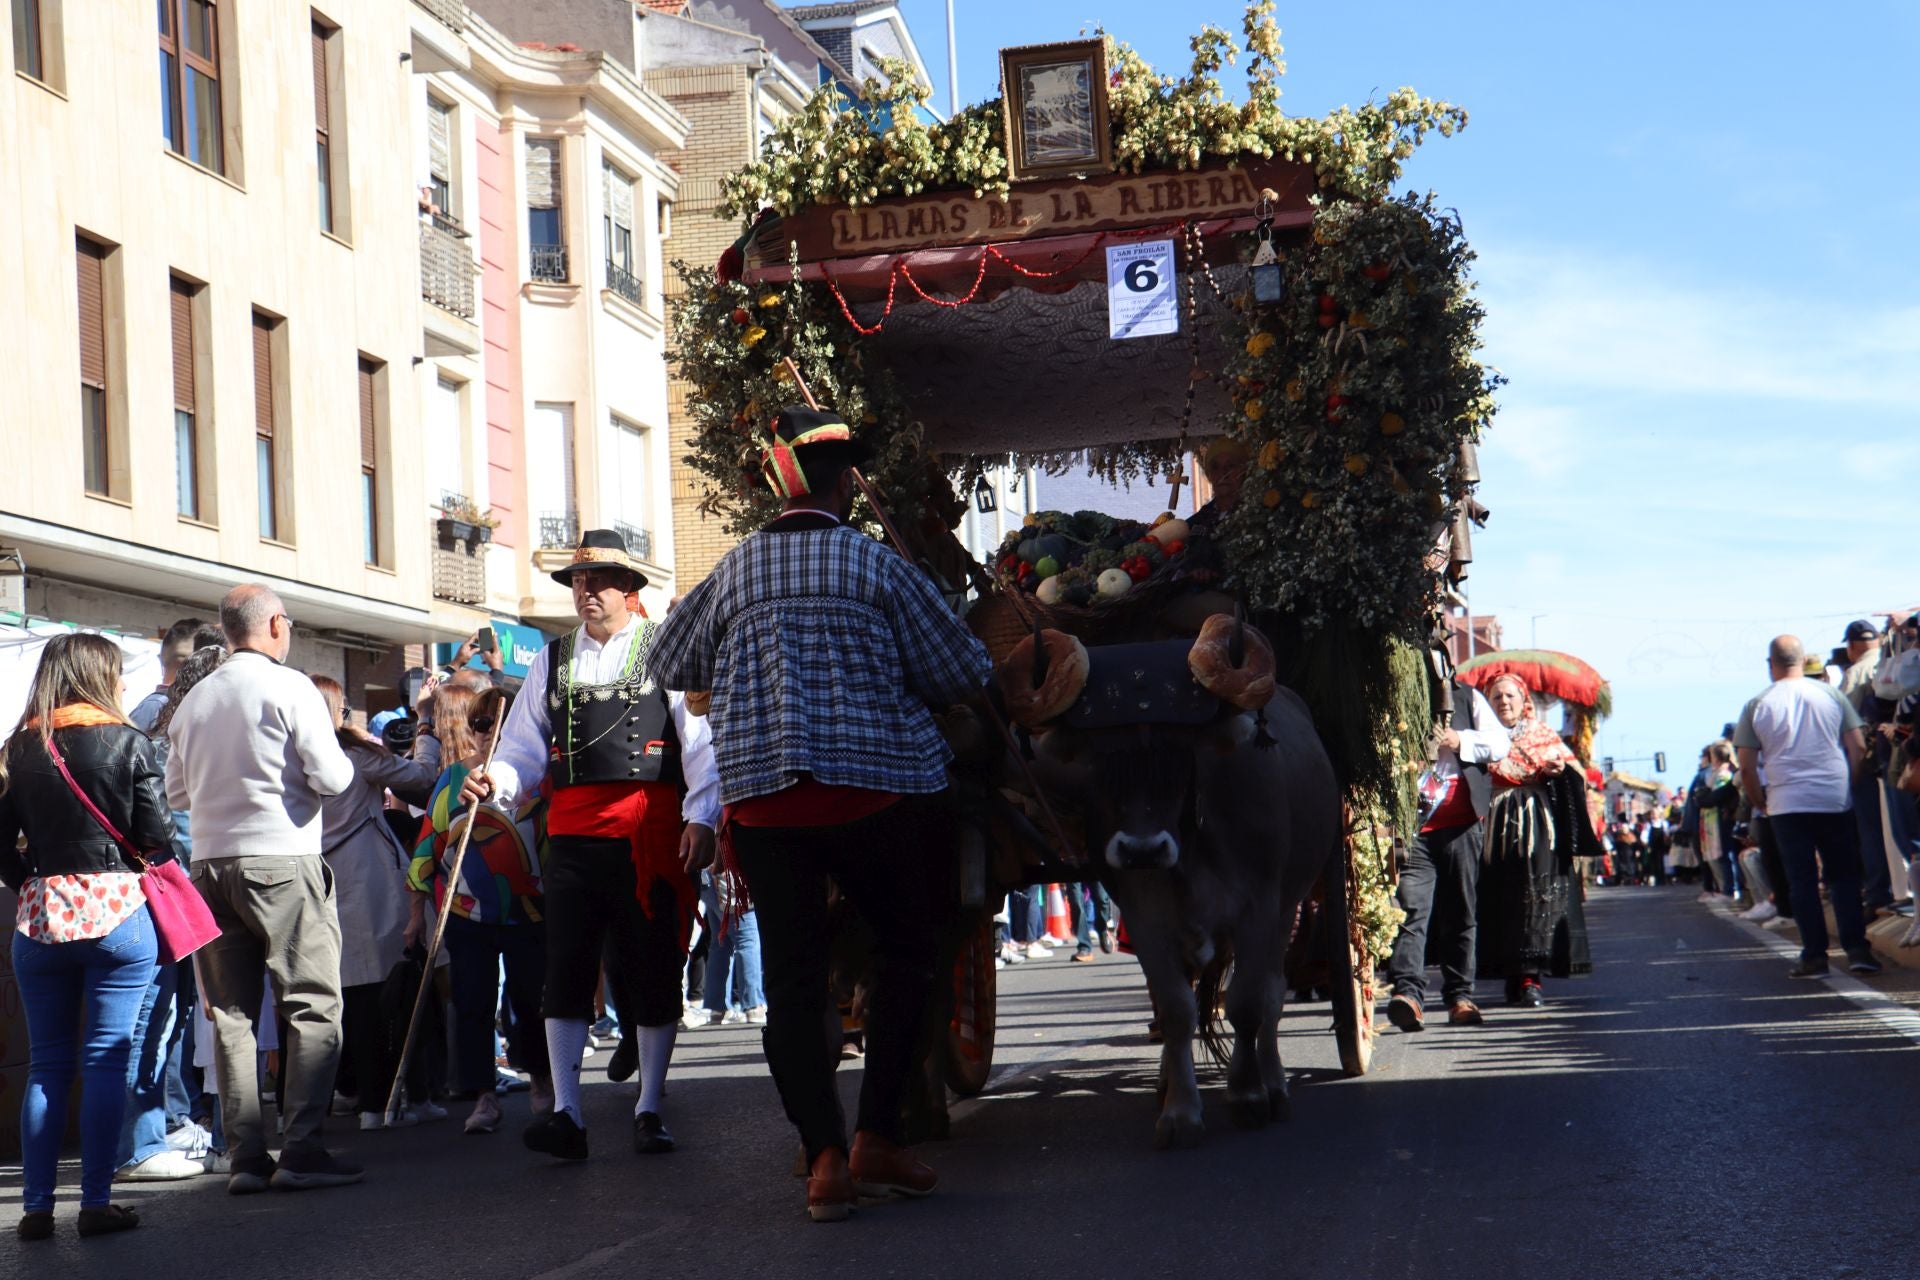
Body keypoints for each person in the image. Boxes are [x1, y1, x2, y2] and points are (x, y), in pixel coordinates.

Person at [649, 404, 993, 1223]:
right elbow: (964, 670)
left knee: (797, 985)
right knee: (908, 954)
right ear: (844, 485)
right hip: (874, 795)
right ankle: (878, 1134)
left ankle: (826, 1160)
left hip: (766, 808)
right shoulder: (875, 566)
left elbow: (669, 659)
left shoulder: (735, 570)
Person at [460, 530, 718, 1161]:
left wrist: (703, 817)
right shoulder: (549, 660)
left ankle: (650, 1106)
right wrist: (496, 780)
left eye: (597, 581)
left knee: (654, 967)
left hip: (648, 836)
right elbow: (521, 748)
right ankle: (569, 1115)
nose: (584, 593)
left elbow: (701, 742)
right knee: (565, 972)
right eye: (577, 582)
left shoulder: (666, 650)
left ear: (630, 591)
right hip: (572, 839)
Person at [165, 584, 362, 1192]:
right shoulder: (290, 686)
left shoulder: (194, 698)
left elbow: (176, 794)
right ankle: (301, 1148)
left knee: (229, 1014)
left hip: (211, 863)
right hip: (282, 859)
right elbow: (332, 777)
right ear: (276, 624)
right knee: (312, 1004)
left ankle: (246, 1157)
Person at [1, 634, 170, 1238]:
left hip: (41, 913)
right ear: (101, 676)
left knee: (46, 1065)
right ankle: (95, 1203)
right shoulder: (130, 742)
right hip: (118, 911)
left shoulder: (18, 748)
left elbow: (0, 847)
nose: (124, 683)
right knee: (105, 1060)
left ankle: (36, 1209)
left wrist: (32, 881)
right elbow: (157, 836)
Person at [408, 683, 553, 1134]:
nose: (488, 733)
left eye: (499, 723)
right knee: (471, 1004)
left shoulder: (539, 778)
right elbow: (427, 847)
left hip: (531, 912)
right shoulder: (454, 780)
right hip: (467, 913)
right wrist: (415, 916)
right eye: (481, 724)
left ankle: (542, 1079)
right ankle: (484, 1095)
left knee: (530, 1003)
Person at [114, 620, 224, 1184]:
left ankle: (163, 1124)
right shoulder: (166, 720)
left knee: (172, 1014)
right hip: (170, 885)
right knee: (157, 1017)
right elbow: (170, 818)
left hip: (155, 884)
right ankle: (142, 1140)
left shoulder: (137, 718)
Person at [310, 674, 439, 1131]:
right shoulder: (353, 756)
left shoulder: (284, 757)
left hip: (314, 879)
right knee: (388, 991)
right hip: (366, 876)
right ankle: (386, 1101)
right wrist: (424, 725)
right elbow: (422, 776)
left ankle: (354, 1098)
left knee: (339, 997)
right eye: (343, 709)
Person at [1733, 635, 1881, 979]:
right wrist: (1849, 781)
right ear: (1801, 661)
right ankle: (1857, 950)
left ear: (1771, 664)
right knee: (1843, 877)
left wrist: (1758, 800)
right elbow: (1857, 746)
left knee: (1801, 881)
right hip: (1832, 796)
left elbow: (1745, 763)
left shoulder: (1758, 703)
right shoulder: (1831, 694)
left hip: (1786, 802)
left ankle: (1814, 955)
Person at [1386, 675, 1510, 1031]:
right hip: (1413, 827)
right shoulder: (1392, 691)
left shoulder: (1466, 696)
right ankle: (1408, 993)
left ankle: (1459, 996)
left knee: (1461, 909)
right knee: (1411, 908)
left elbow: (1500, 744)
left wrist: (1460, 740)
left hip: (1462, 824)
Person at [1479, 674, 1588, 1007]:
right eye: (1496, 697)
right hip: (1494, 824)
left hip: (1537, 823)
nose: (1504, 702)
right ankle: (1512, 974)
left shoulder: (1542, 733)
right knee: (1503, 900)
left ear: (1522, 699)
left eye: (1510, 696)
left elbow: (1574, 771)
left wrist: (1557, 769)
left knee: (1537, 897)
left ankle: (1531, 978)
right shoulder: (1480, 736)